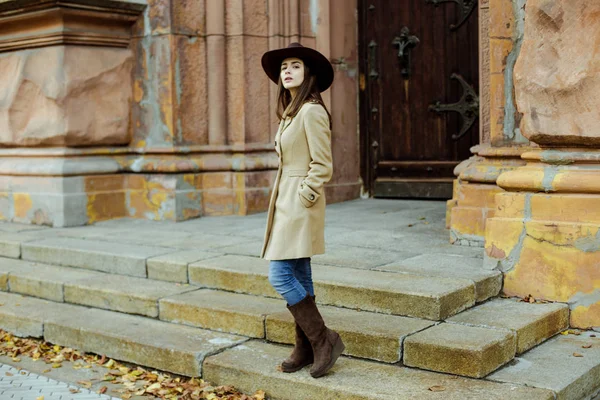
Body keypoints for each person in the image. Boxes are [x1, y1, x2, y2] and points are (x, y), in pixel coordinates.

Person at [260, 42, 345, 378]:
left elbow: (322, 165)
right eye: (283, 68)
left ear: (307, 74)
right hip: (285, 201)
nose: (287, 71)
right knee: (299, 273)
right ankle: (307, 347)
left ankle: (323, 339)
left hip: (299, 202)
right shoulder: (291, 112)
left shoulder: (311, 111)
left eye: (294, 66)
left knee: (279, 274)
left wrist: (305, 195)